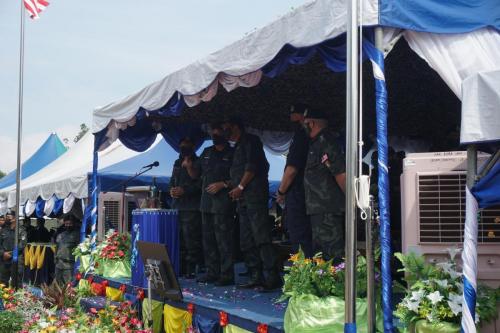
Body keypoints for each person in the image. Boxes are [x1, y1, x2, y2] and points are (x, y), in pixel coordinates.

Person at [222, 117, 280, 291]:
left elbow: (252, 167)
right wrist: (233, 186)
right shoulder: (237, 146)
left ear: (235, 126)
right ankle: (256, 276)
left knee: (261, 237)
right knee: (246, 240)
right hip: (243, 200)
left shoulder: (251, 141)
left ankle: (272, 277)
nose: (224, 131)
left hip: (254, 198)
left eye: (226, 127)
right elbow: (238, 172)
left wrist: (240, 186)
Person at [303, 108, 346, 263]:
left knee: (332, 255)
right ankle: (325, 285)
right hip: (318, 209)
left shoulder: (327, 142)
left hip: (328, 208)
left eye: (305, 123)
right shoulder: (315, 143)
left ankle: (337, 286)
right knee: (321, 254)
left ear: (312, 123)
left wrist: (351, 202)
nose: (304, 126)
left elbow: (340, 174)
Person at [197, 123, 236, 286]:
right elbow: (196, 174)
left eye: (218, 133)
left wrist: (224, 184)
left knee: (224, 241)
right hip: (206, 204)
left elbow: (241, 178)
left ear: (225, 134)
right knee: (208, 240)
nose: (215, 136)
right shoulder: (206, 152)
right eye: (213, 134)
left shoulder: (233, 153)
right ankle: (212, 272)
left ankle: (226, 275)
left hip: (223, 204)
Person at [276, 103, 313, 257]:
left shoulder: (301, 136)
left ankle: (303, 276)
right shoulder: (307, 136)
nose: (291, 117)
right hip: (306, 193)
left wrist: (281, 191)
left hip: (298, 193)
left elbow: (292, 169)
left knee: (299, 236)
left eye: (294, 114)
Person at [169, 137, 203, 279]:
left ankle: (192, 268)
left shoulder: (198, 162)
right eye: (182, 147)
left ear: (193, 147)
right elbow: (172, 181)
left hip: (191, 208)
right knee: (179, 239)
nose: (184, 149)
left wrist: (185, 190)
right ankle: (180, 267)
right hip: (177, 207)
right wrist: (171, 190)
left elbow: (199, 185)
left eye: (187, 147)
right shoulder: (177, 162)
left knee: (191, 240)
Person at [0, 211, 27, 285]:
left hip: (16, 258)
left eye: (9, 217)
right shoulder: (3, 230)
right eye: (7, 217)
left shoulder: (21, 230)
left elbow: (22, 245)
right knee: (2, 282)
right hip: (4, 259)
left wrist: (11, 254)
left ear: (14, 218)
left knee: (16, 282)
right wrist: (3, 253)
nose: (6, 219)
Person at [54, 214, 80, 285]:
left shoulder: (77, 236)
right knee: (57, 285)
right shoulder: (60, 235)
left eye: (70, 224)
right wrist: (55, 259)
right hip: (59, 264)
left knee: (68, 286)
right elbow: (57, 247)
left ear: (74, 224)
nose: (68, 225)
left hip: (69, 266)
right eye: (66, 224)